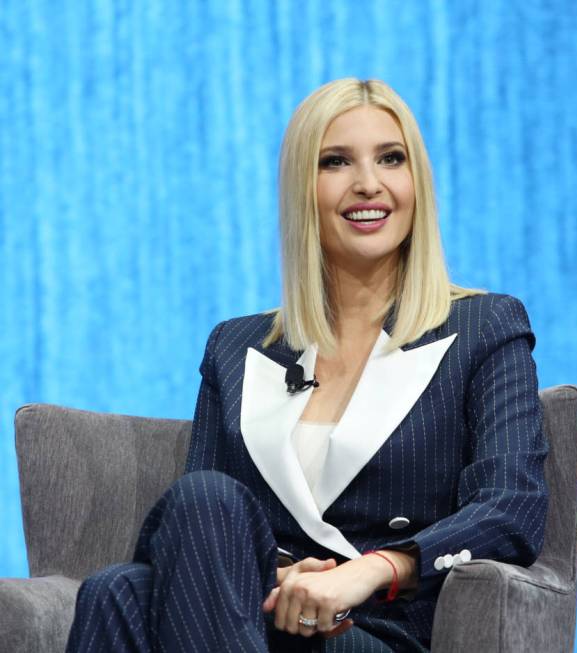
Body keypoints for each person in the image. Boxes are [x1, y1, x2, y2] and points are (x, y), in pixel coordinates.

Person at [66, 78, 549, 652]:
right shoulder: (235, 347)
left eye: (391, 159)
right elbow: (195, 539)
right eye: (336, 162)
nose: (369, 183)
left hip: (373, 629)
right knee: (182, 521)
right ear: (303, 187)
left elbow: (512, 505)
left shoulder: (483, 327)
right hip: (248, 615)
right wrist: (278, 580)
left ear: (416, 181)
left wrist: (369, 570)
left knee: (119, 591)